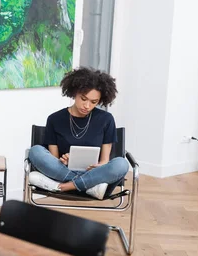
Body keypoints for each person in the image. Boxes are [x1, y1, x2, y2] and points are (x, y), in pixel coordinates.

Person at [28, 67, 129, 200]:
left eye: (94, 102)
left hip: (94, 173)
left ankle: (62, 186)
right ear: (74, 93)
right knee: (35, 151)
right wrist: (63, 161)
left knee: (122, 164)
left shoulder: (106, 119)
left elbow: (105, 161)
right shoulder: (55, 119)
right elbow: (54, 159)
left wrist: (99, 165)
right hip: (65, 172)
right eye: (83, 99)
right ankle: (88, 187)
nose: (87, 105)